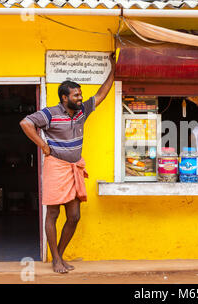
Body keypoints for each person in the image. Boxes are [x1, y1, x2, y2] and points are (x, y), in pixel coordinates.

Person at [20, 56, 115, 274]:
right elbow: (26, 123)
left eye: (80, 94)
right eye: (76, 95)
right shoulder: (50, 113)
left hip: (74, 169)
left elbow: (101, 94)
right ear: (65, 98)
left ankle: (59, 256)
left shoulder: (82, 112)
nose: (81, 98)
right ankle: (56, 260)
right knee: (53, 214)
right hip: (56, 167)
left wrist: (114, 69)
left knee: (74, 216)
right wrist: (43, 145)